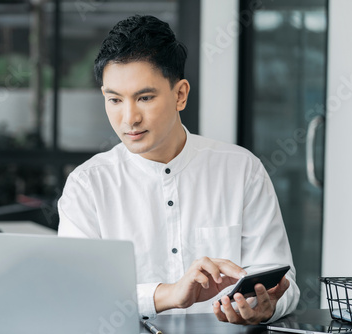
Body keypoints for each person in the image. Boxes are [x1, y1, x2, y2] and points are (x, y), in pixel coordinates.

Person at [57, 14, 300, 325]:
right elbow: (75, 295)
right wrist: (167, 294)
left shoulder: (242, 170)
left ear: (180, 94)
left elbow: (285, 284)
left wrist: (265, 307)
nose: (129, 118)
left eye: (144, 98)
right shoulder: (87, 185)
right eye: (114, 99)